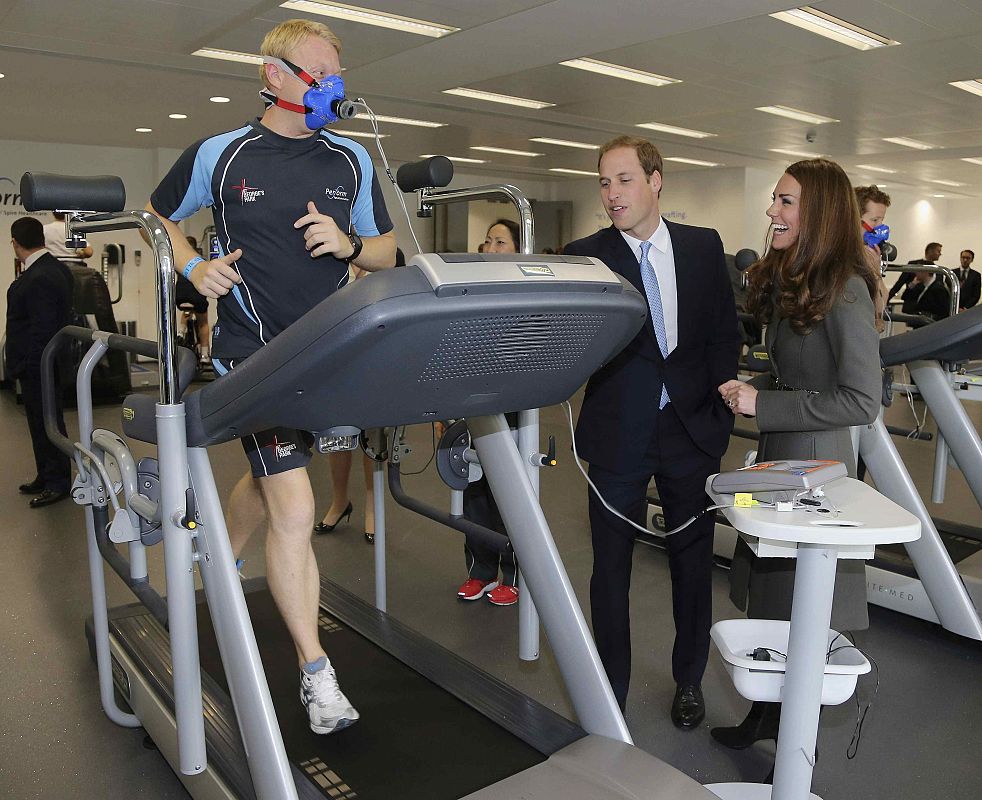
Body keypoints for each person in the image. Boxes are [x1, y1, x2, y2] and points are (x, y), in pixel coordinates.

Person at [146, 18, 396, 735]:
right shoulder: (221, 154)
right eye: (322, 73)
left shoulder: (351, 158)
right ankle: (317, 675)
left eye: (339, 74)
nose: (335, 87)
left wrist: (350, 243)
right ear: (275, 74)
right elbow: (155, 216)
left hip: (329, 353)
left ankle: (217, 559)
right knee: (293, 505)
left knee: (268, 479)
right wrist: (193, 266)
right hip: (253, 356)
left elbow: (386, 250)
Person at [563, 135, 740, 725]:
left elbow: (723, 332)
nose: (612, 193)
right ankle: (609, 690)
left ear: (655, 180)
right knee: (610, 569)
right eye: (604, 182)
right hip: (619, 433)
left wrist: (717, 407)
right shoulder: (586, 257)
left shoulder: (702, 246)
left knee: (692, 565)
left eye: (624, 180)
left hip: (691, 431)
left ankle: (689, 679)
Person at [715, 158, 881, 761]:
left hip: (816, 465)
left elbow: (861, 399)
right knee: (773, 598)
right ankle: (765, 714)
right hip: (783, 454)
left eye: (785, 202)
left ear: (820, 214)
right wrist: (754, 385)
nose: (772, 211)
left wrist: (765, 404)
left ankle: (794, 750)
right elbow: (801, 373)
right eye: (775, 200)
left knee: (802, 607)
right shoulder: (800, 278)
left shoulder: (847, 289)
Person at [455, 219, 523, 606]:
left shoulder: (526, 294)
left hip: (513, 404)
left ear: (518, 248)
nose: (491, 248)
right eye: (487, 241)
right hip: (477, 403)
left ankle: (512, 575)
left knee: (508, 498)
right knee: (475, 493)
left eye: (500, 242)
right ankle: (481, 571)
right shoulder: (476, 288)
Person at [6, 217, 75, 507]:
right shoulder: (53, 269)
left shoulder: (40, 276)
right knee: (40, 422)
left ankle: (57, 482)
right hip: (44, 365)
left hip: (41, 367)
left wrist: (31, 366)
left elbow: (42, 330)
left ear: (15, 243)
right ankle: (46, 474)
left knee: (48, 423)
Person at [174, 235, 211, 362]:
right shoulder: (202, 261)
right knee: (203, 323)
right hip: (197, 297)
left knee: (186, 309)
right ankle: (204, 355)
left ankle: (181, 331)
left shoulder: (179, 261)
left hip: (180, 296)